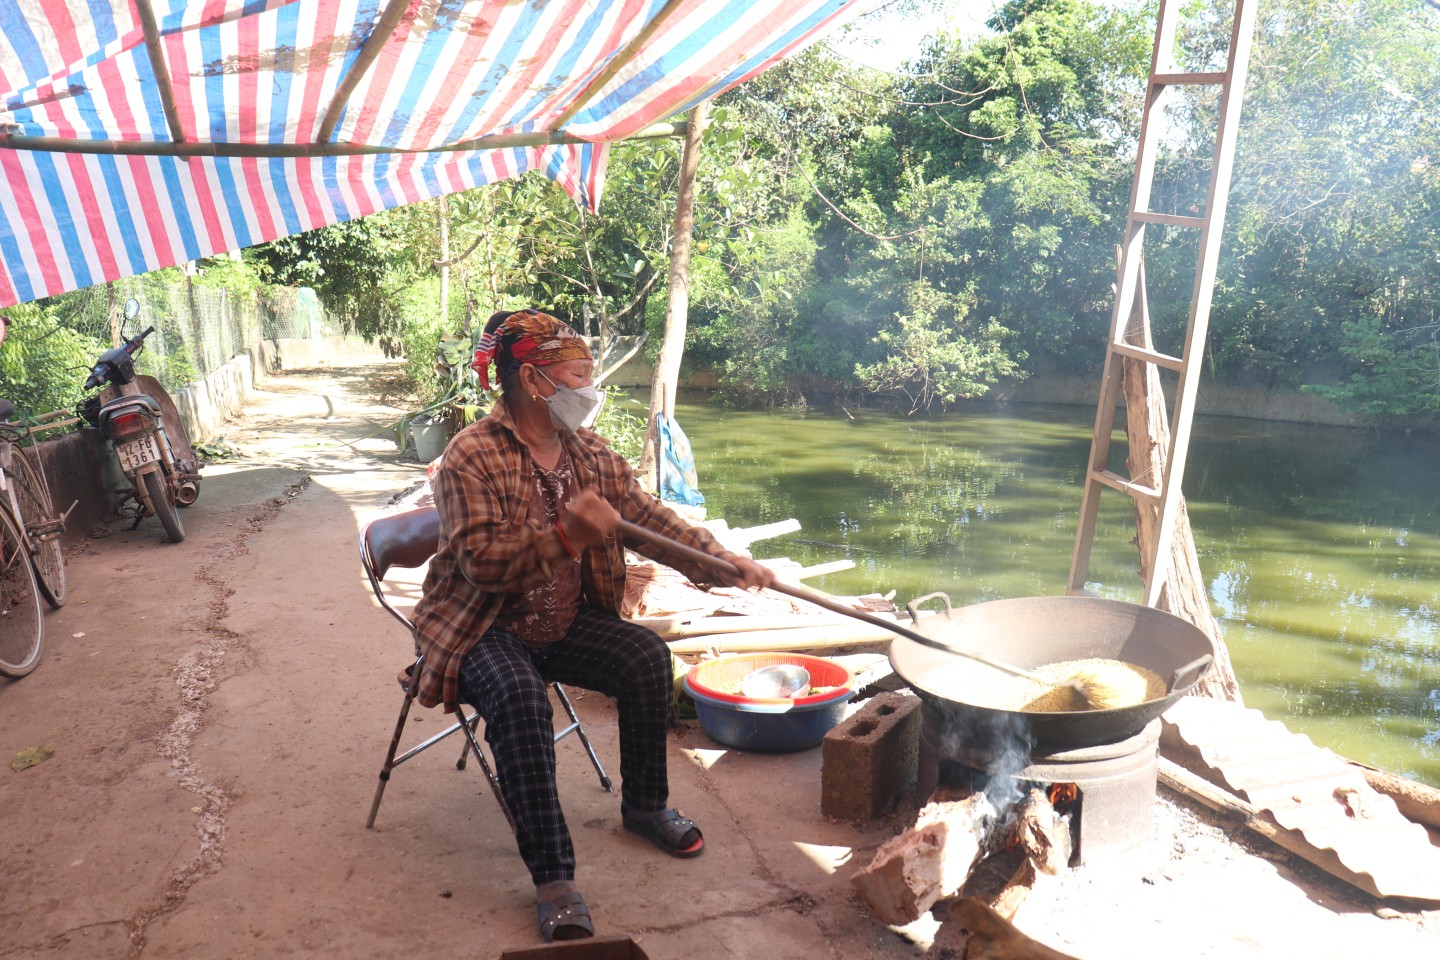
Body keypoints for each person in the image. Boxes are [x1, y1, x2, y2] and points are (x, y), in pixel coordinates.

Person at [410, 308, 774, 943]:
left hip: (565, 621)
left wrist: (722, 563)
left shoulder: (591, 452)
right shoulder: (471, 454)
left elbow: (650, 520)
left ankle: (645, 806)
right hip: (485, 624)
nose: (590, 388)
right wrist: (567, 536)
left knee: (643, 658)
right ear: (533, 380)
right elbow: (484, 564)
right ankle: (553, 877)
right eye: (579, 374)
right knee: (521, 701)